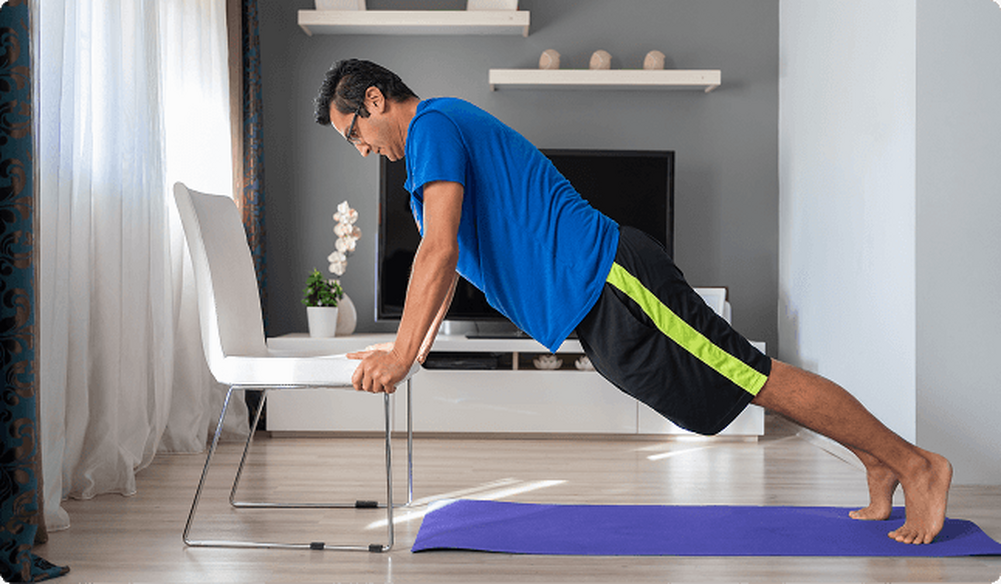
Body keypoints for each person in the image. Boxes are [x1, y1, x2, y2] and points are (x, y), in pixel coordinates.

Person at [313, 59, 952, 545]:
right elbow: (452, 265)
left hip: (614, 278)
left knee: (752, 376)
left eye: (354, 133)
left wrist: (401, 356)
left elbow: (438, 250)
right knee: (734, 384)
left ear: (375, 100)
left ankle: (917, 464)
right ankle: (878, 459)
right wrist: (413, 349)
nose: (361, 147)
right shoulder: (433, 141)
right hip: (596, 298)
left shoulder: (431, 126)